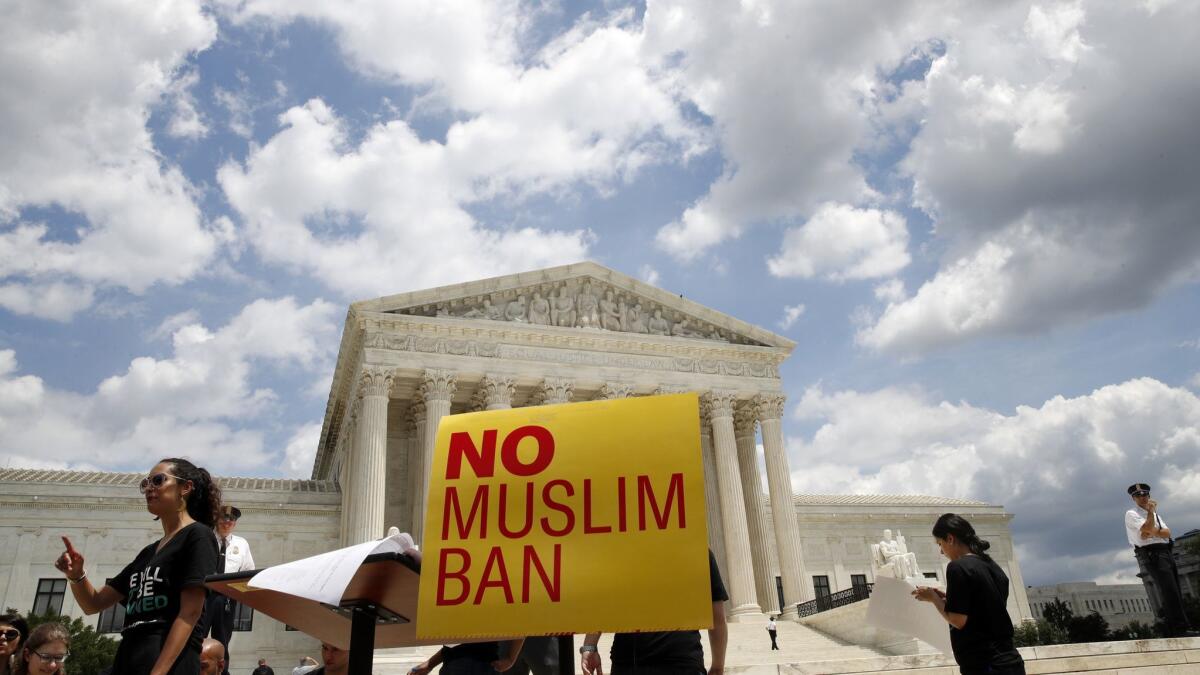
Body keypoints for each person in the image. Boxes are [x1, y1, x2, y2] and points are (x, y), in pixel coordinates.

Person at [55, 457, 222, 675]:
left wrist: (158, 672)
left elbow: (190, 613)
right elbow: (93, 604)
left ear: (186, 487)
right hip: (128, 657)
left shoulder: (198, 535)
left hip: (168, 663)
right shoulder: (148, 553)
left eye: (158, 480)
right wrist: (76, 575)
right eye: (146, 483)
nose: (149, 488)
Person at [580, 550, 728, 675]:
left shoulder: (623, 551)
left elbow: (605, 602)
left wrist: (590, 646)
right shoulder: (698, 549)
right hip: (682, 660)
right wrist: (717, 666)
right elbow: (717, 616)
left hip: (630, 662)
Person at [913, 513, 1024, 675]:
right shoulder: (993, 566)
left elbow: (958, 621)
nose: (941, 552)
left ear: (950, 539)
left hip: (984, 664)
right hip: (1010, 661)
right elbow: (984, 609)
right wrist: (950, 599)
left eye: (940, 543)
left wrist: (933, 598)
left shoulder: (957, 567)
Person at [1125, 483, 1199, 637]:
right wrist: (1151, 516)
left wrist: (1151, 530)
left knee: (1175, 590)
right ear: (1133, 498)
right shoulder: (1132, 514)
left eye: (1145, 494)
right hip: (1152, 554)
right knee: (1168, 590)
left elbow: (1166, 533)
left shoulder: (1157, 515)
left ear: (1149, 495)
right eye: (1138, 495)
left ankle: (1182, 626)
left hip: (1165, 551)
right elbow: (1146, 530)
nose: (1143, 497)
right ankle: (1178, 628)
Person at [205, 504, 255, 675]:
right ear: (216, 520)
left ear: (235, 523)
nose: (227, 522)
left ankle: (222, 671)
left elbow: (248, 571)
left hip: (226, 598)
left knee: (223, 639)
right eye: (223, 518)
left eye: (231, 519)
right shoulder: (205, 538)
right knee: (197, 636)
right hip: (204, 596)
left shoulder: (241, 544)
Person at [411, 639, 524, 675]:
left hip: (478, 665)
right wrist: (430, 663)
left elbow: (520, 618)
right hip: (456, 662)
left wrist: (511, 659)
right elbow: (456, 641)